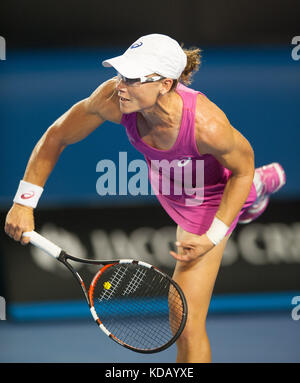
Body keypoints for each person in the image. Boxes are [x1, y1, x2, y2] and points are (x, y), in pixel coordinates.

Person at [4, 34, 286, 363]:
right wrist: (24, 201)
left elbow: (241, 167)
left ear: (165, 84)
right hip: (169, 180)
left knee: (185, 319)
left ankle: (253, 190)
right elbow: (57, 135)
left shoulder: (207, 126)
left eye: (133, 79)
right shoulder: (112, 97)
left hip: (208, 198)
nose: (121, 85)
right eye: (122, 74)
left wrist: (212, 236)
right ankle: (254, 195)